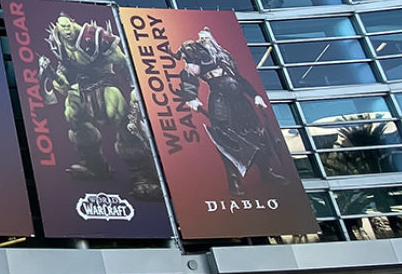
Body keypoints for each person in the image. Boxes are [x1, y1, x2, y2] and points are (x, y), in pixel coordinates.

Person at [37, 13, 161, 199]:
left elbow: (122, 61)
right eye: (62, 28)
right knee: (72, 114)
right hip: (81, 86)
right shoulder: (60, 45)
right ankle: (94, 164)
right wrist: (54, 75)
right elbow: (65, 73)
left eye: (68, 26)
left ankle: (142, 174)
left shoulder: (94, 36)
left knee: (123, 121)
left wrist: (134, 87)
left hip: (105, 82)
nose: (67, 31)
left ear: (72, 23)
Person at [177, 27, 289, 197]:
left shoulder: (224, 55)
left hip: (241, 102)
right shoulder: (196, 54)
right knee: (226, 140)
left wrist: (255, 95)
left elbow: (239, 78)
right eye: (202, 38)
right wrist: (191, 97)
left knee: (258, 134)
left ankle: (266, 172)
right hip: (220, 103)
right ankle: (233, 180)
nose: (204, 40)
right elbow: (188, 75)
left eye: (206, 37)